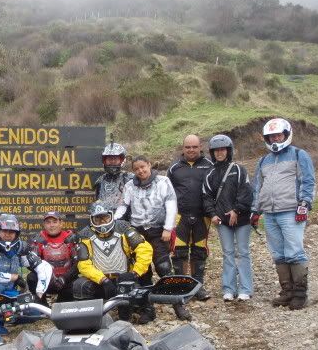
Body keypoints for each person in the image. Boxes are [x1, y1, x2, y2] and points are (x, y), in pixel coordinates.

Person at [115, 156, 190, 322]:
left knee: (164, 267)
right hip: (137, 232)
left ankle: (178, 305)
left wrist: (168, 228)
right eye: (137, 169)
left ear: (149, 165)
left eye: (143, 167)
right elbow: (123, 206)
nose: (141, 171)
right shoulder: (129, 186)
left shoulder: (163, 182)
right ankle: (147, 309)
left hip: (158, 230)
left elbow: (171, 205)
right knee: (142, 271)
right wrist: (114, 222)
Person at [251, 118, 315, 310]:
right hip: (270, 214)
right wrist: (255, 210)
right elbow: (257, 187)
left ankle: (300, 294)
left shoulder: (298, 154)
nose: (275, 139)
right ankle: (287, 291)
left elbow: (308, 181)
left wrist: (304, 203)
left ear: (286, 135)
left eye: (278, 135)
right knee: (278, 254)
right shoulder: (263, 160)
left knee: (294, 251)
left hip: (291, 212)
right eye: (271, 137)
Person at [0, 214, 52, 345]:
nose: (8, 234)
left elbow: (44, 267)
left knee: (34, 312)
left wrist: (40, 290)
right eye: (4, 231)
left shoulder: (21, 247)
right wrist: (12, 277)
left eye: (12, 231)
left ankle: (2, 320)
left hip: (7, 294)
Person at [73, 201, 153, 321]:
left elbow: (145, 250)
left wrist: (135, 273)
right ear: (91, 219)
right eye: (97, 219)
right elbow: (83, 264)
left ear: (111, 215)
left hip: (125, 278)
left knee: (140, 277)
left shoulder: (125, 229)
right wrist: (103, 280)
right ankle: (89, 318)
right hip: (100, 281)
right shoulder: (85, 235)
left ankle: (142, 310)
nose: (102, 222)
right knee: (80, 285)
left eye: (105, 217)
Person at [202, 135, 254, 302]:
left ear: (229, 151)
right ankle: (229, 288)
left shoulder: (239, 170)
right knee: (228, 253)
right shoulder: (210, 174)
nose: (219, 153)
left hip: (242, 219)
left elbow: (246, 192)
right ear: (212, 152)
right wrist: (212, 214)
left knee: (243, 252)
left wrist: (236, 210)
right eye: (216, 150)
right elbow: (207, 196)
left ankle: (245, 288)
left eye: (223, 149)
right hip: (222, 221)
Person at [167, 134, 214, 301]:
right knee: (178, 252)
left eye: (194, 147)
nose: (191, 150)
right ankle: (181, 286)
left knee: (199, 252)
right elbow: (167, 193)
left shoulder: (210, 165)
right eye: (188, 147)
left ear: (200, 147)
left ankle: (197, 287)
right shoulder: (174, 168)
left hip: (203, 216)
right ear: (183, 148)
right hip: (180, 216)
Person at [28, 211, 78, 305]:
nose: (51, 225)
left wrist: (65, 278)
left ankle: (63, 304)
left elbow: (77, 263)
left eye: (54, 222)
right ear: (44, 224)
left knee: (77, 282)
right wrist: (48, 277)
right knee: (31, 277)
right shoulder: (38, 239)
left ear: (61, 223)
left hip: (66, 279)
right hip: (46, 280)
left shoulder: (70, 238)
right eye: (48, 222)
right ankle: (41, 305)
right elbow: (32, 263)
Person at [94, 141, 135, 212]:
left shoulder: (130, 178)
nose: (112, 161)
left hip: (126, 219)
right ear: (105, 160)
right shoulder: (100, 181)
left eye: (115, 158)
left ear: (121, 160)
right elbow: (97, 201)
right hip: (105, 218)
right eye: (110, 159)